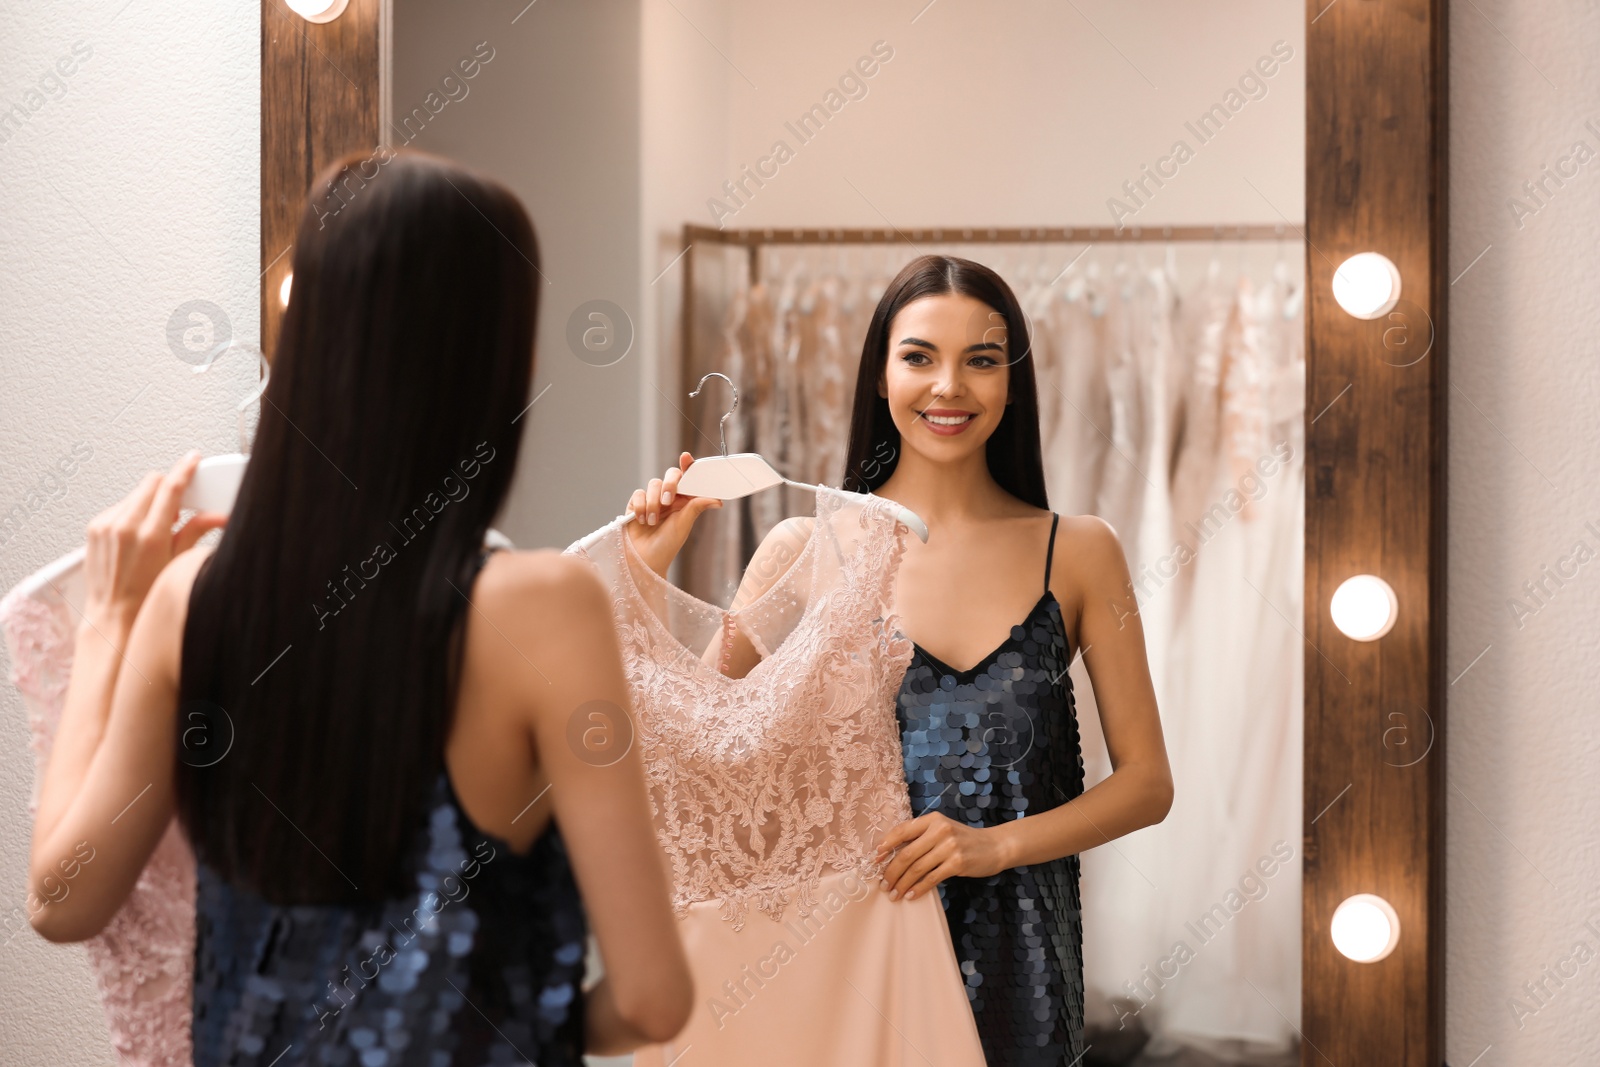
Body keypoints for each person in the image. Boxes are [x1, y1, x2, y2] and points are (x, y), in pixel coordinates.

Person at [26, 150, 692, 1065]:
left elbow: (62, 900)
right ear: (502, 360)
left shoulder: (192, 601)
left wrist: (109, 624)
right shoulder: (542, 609)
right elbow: (655, 1001)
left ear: (307, 344)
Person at [625, 254, 1173, 1064]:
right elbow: (707, 751)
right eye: (919, 357)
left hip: (1021, 955)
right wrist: (647, 567)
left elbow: (1147, 784)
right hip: (852, 954)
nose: (948, 386)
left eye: (981, 360)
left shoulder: (1080, 551)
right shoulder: (804, 551)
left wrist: (995, 845)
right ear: (880, 377)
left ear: (1012, 384)